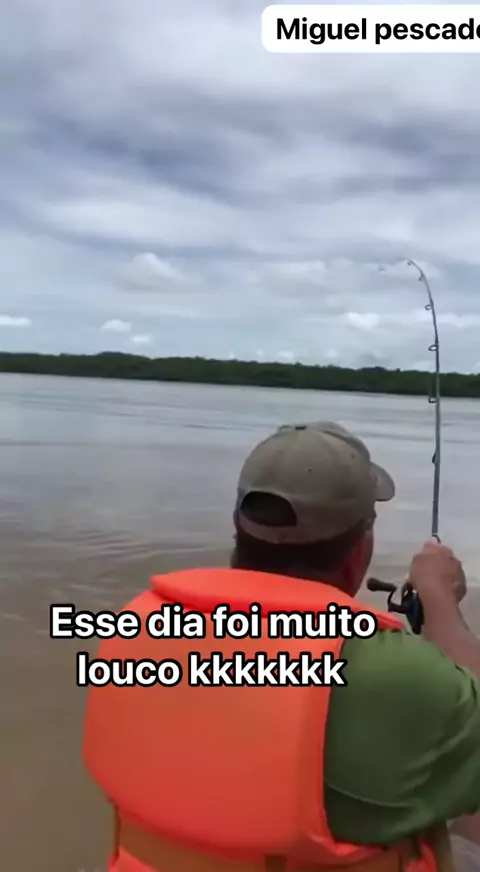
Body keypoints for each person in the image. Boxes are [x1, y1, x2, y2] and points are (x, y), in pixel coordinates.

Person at [83, 421, 480, 872]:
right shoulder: (399, 677)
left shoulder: (136, 628)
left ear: (239, 527)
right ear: (358, 551)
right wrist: (439, 600)